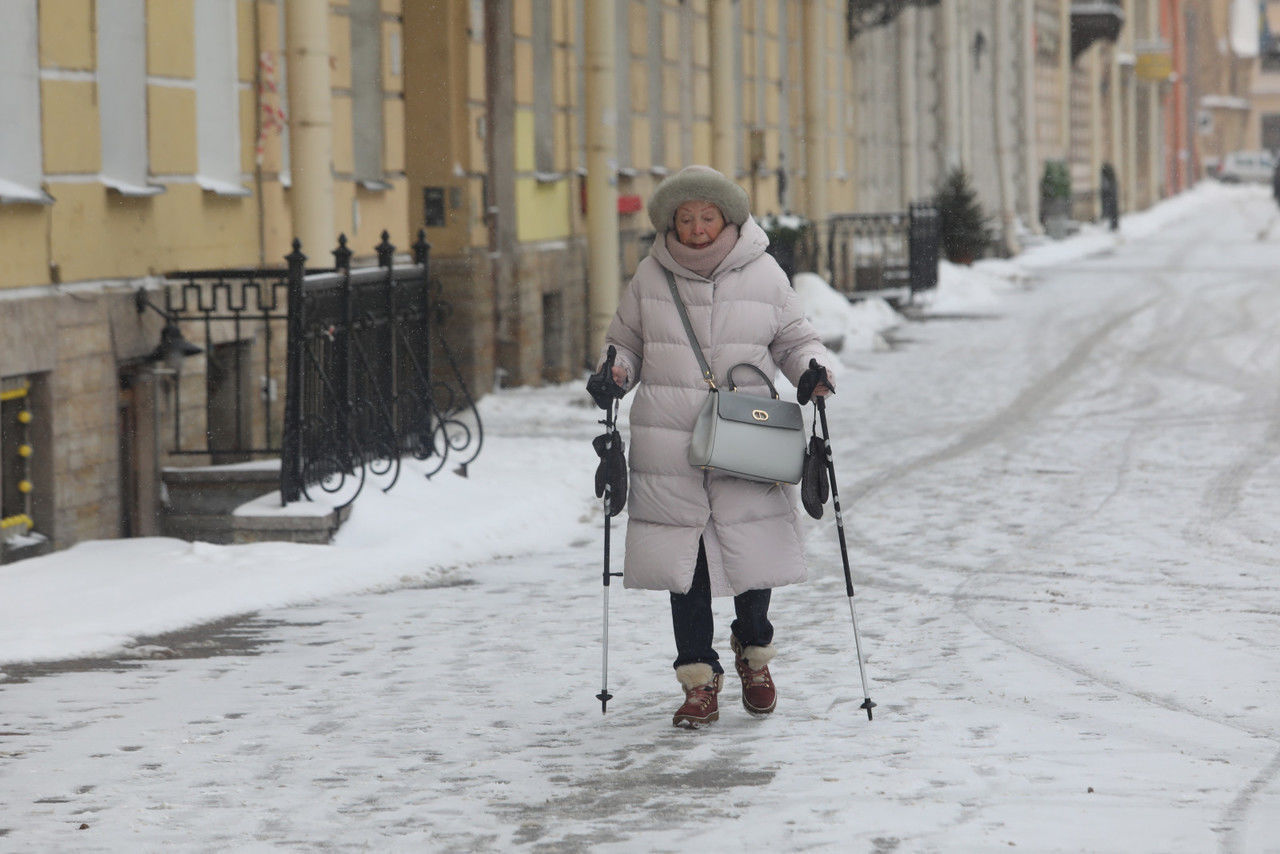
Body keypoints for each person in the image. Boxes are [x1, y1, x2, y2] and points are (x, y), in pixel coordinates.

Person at [590, 165, 833, 728]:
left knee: (753, 556)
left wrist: (812, 371)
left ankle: (754, 657)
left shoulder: (765, 273)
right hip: (671, 440)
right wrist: (615, 374)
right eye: (685, 218)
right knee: (686, 565)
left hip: (747, 434)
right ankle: (698, 678)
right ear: (670, 223)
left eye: (707, 217)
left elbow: (795, 338)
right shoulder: (651, 277)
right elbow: (625, 342)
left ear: (728, 219)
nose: (697, 228)